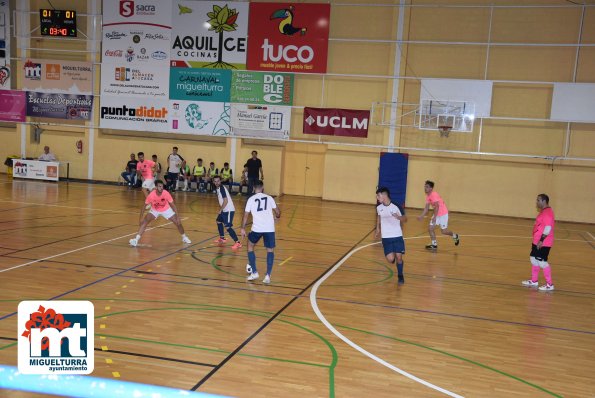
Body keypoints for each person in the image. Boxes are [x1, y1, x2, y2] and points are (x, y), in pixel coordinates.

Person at [129, 180, 191, 247]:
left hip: (166, 209)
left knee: (178, 223)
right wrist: (140, 219)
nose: (161, 188)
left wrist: (178, 217)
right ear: (156, 187)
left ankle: (184, 237)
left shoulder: (166, 193)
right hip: (155, 210)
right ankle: (136, 240)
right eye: (159, 186)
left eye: (162, 186)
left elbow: (173, 205)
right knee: (145, 221)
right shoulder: (151, 195)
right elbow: (143, 207)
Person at [241, 180, 280, 284]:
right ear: (262, 188)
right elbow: (278, 212)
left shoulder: (251, 199)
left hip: (257, 228)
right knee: (270, 250)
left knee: (250, 246)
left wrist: (243, 228)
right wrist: (277, 217)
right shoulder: (270, 198)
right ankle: (267, 276)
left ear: (254, 188)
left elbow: (245, 215)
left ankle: (254, 272)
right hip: (269, 228)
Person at [522, 194, 556, 291]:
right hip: (537, 241)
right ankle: (534, 281)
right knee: (533, 258)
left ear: (544, 201)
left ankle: (550, 284)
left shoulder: (548, 213)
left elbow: (548, 227)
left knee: (542, 262)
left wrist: (541, 240)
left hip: (544, 242)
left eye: (538, 200)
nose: (536, 202)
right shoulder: (543, 212)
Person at [375, 187, 407, 284]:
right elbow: (379, 216)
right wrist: (377, 228)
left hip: (397, 235)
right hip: (386, 237)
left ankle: (400, 275)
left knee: (399, 257)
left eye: (378, 195)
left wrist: (399, 217)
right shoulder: (379, 207)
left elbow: (405, 219)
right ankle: (395, 261)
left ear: (384, 195)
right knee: (390, 259)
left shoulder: (396, 206)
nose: (377, 197)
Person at [417, 180, 460, 250]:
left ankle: (455, 236)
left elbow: (437, 207)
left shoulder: (434, 195)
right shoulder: (428, 196)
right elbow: (426, 208)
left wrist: (435, 217)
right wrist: (421, 216)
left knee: (444, 231)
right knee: (430, 228)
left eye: (427, 187)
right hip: (437, 213)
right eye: (425, 186)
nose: (425, 188)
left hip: (443, 214)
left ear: (431, 188)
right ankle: (434, 244)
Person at [213, 175, 242, 250]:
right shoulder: (218, 188)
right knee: (218, 221)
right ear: (213, 182)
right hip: (224, 210)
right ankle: (222, 238)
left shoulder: (222, 188)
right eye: (215, 181)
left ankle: (238, 242)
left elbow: (226, 201)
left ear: (220, 181)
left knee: (228, 226)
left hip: (229, 210)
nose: (216, 182)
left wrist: (220, 209)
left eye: (218, 181)